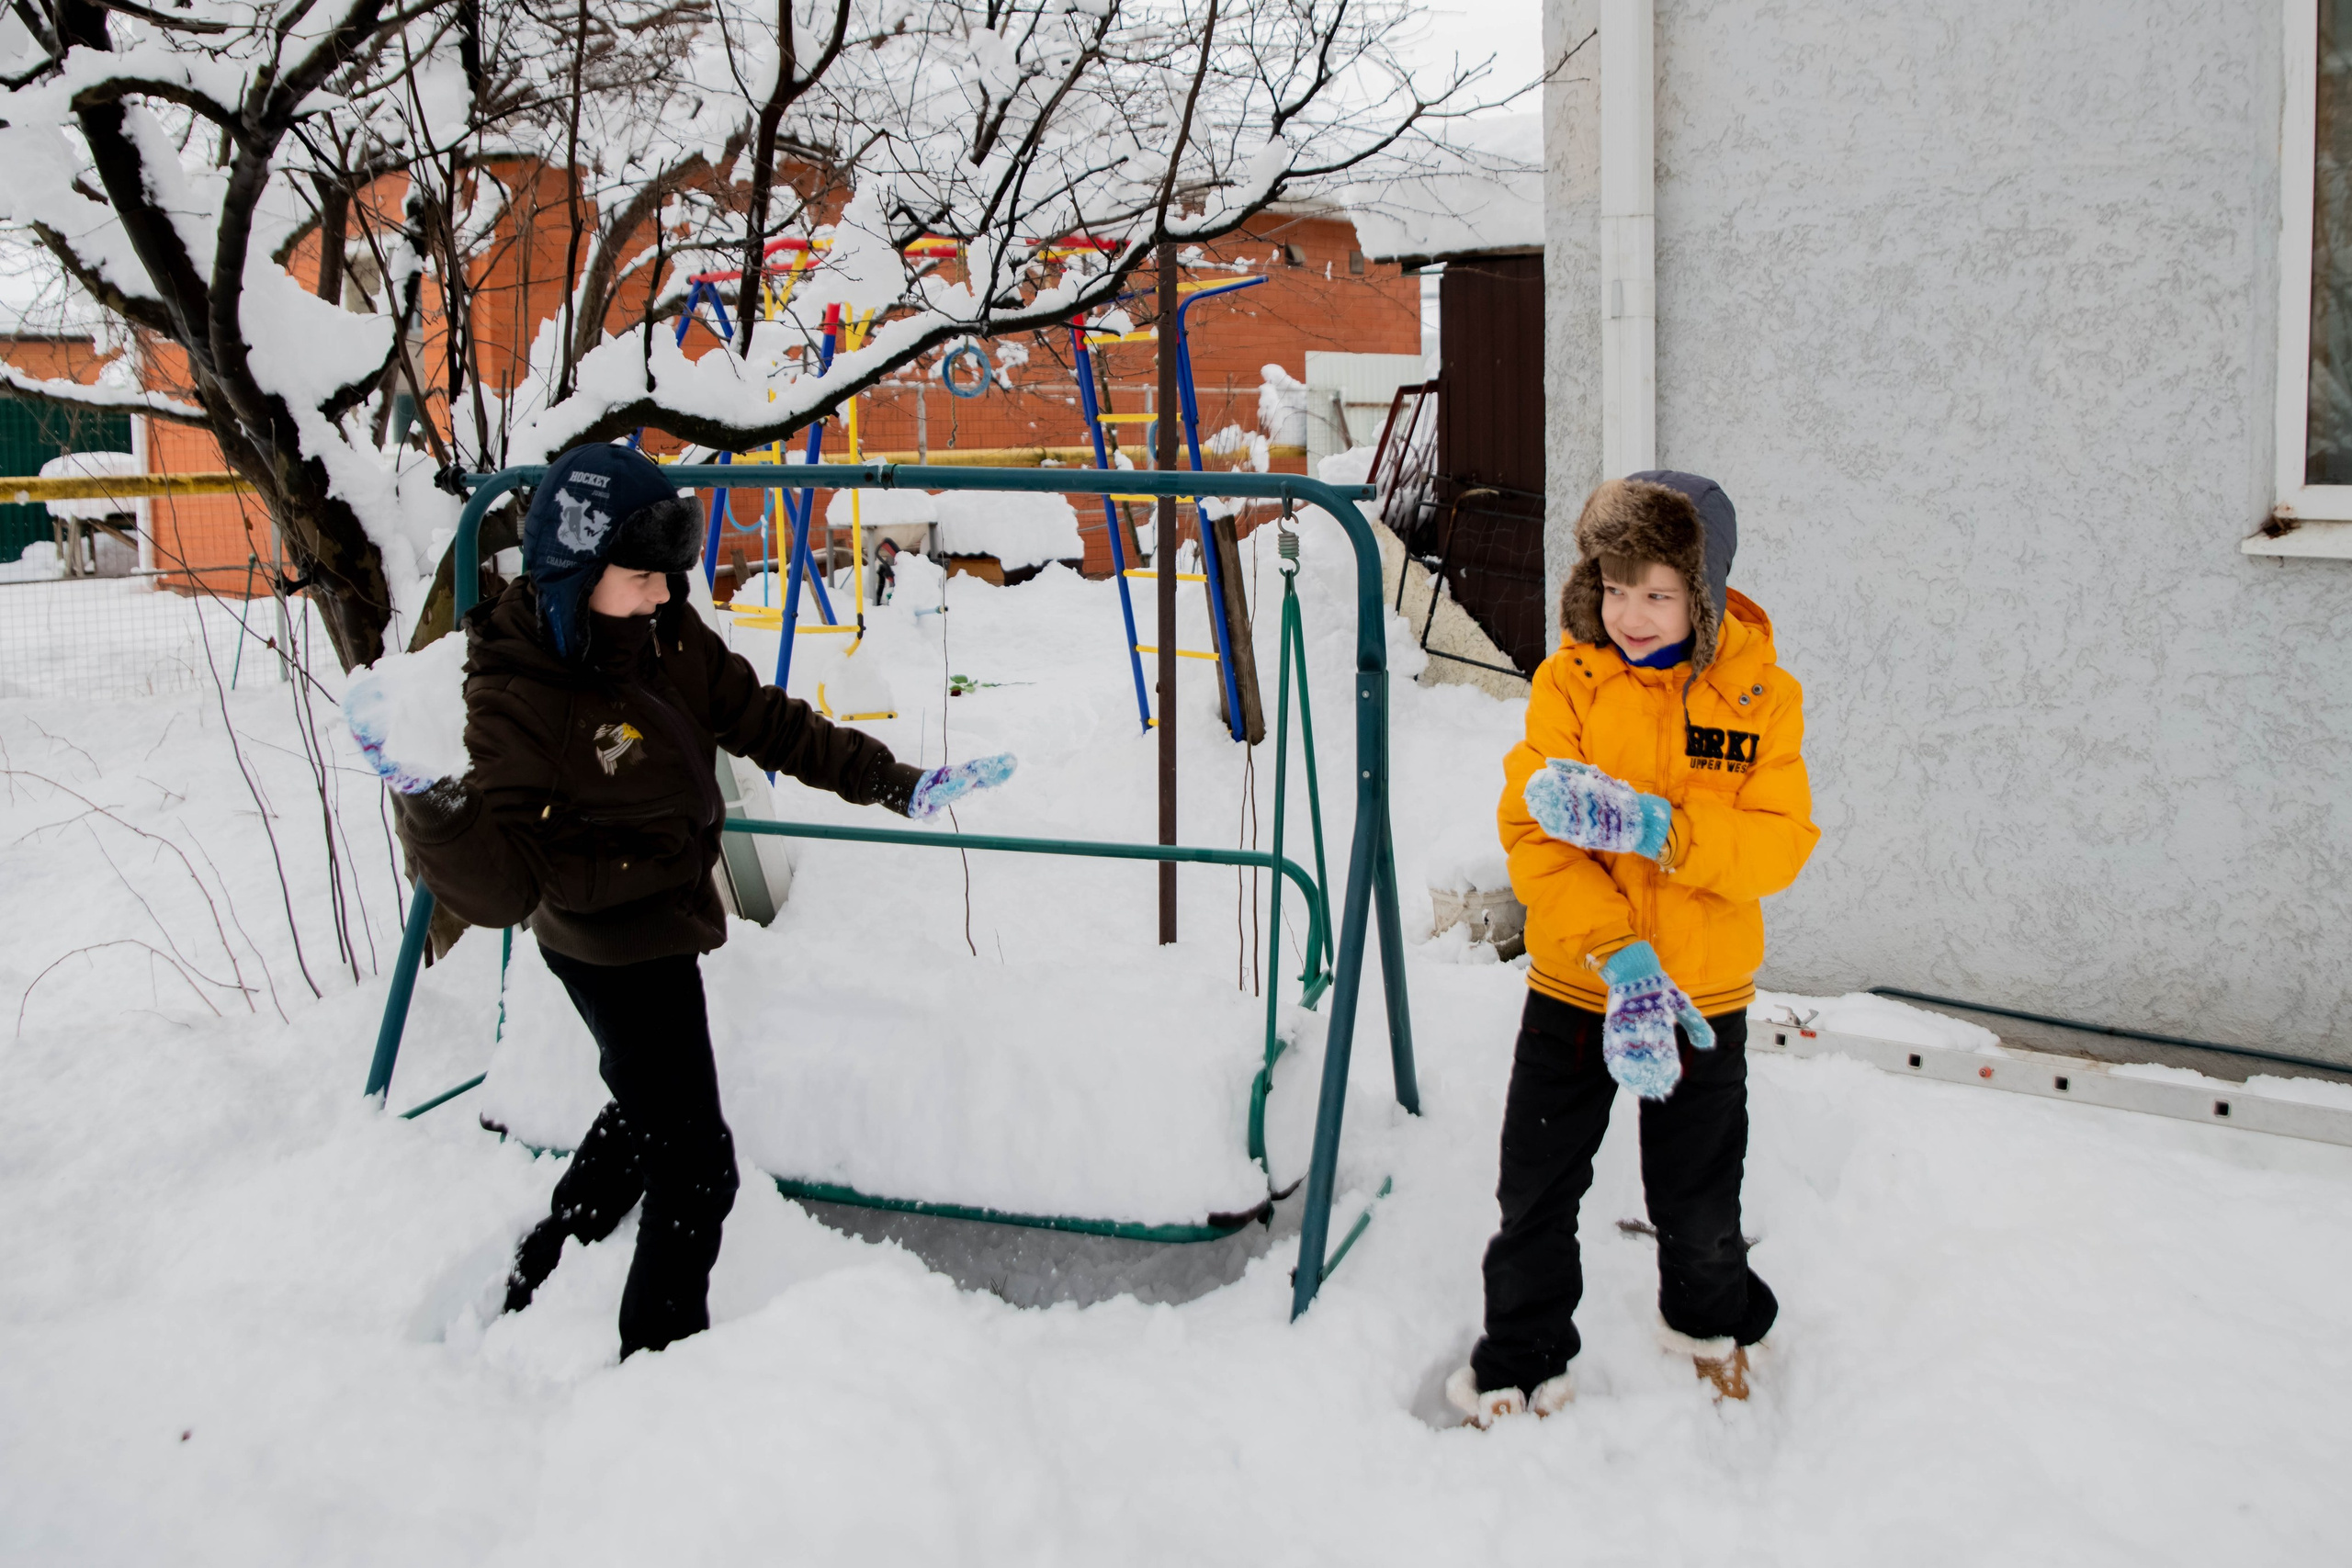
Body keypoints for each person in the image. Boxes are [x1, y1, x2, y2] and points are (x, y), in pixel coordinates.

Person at [365, 443, 1012, 1359]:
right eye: (642, 577)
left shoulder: (665, 638)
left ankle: (548, 1261)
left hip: (665, 913)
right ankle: (658, 1364)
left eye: (669, 576)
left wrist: (894, 782)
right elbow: (504, 888)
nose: (666, 595)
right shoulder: (520, 695)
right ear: (577, 569)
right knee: (698, 1168)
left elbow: (766, 722)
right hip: (604, 943)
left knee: (646, 1107)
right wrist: (432, 808)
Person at [1447, 471, 1819, 1426]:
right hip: (1579, 984)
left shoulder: (1759, 698)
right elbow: (1534, 837)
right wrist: (1618, 954)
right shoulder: (1567, 682)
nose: (1632, 614)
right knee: (1535, 1187)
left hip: (1702, 994)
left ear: (1700, 591)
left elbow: (1779, 843)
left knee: (1696, 1201)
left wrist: (1664, 831)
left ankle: (1711, 1323)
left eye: (1657, 592)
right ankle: (1521, 1354)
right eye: (1615, 588)